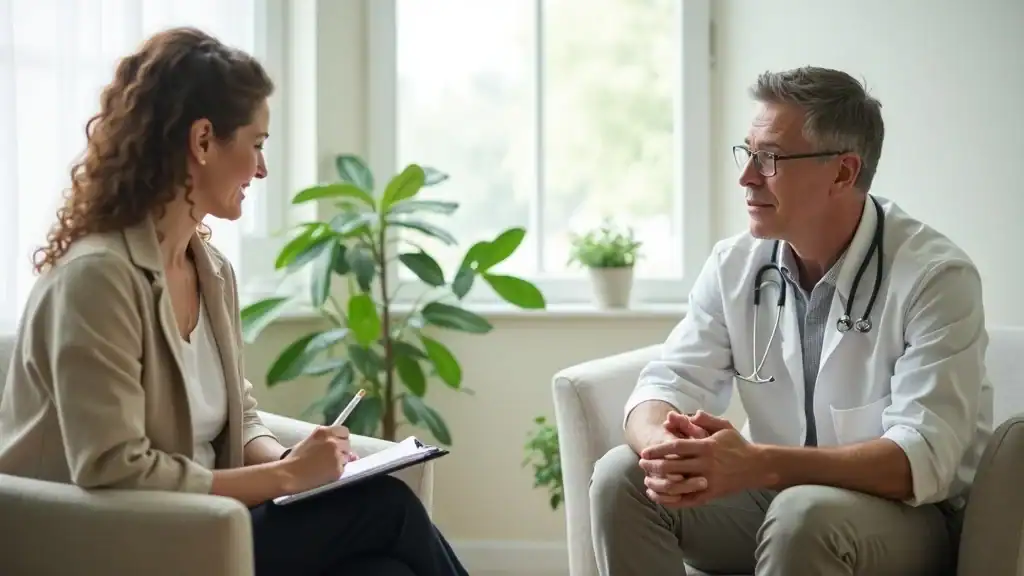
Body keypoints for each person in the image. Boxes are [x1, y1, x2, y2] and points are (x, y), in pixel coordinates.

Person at [0, 27, 467, 576]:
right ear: (203, 141)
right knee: (387, 508)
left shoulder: (211, 269)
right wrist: (286, 477)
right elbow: (115, 469)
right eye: (257, 143)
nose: (262, 169)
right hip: (119, 542)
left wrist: (290, 458)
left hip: (205, 525)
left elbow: (239, 418)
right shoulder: (97, 279)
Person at [590, 66, 993, 576]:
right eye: (747, 152)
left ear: (843, 173)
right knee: (622, 477)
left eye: (770, 158)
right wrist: (664, 449)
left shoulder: (936, 277)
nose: (746, 176)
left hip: (906, 516)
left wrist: (756, 463)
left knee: (802, 515)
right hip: (775, 499)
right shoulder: (735, 265)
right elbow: (667, 382)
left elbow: (922, 459)